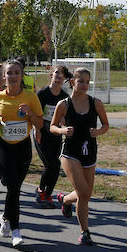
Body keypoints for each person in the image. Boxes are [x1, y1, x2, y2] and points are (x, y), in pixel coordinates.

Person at [50, 68, 109, 245]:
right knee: (83, 193)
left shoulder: (96, 103)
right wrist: (62, 130)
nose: (84, 85)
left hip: (89, 151)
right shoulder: (64, 104)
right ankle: (85, 232)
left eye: (87, 81)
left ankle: (65, 200)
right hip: (70, 152)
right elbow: (52, 126)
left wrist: (98, 131)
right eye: (81, 81)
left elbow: (106, 125)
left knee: (86, 194)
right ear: (72, 82)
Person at [0, 59, 43, 247]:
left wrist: (30, 114)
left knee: (15, 189)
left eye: (16, 73)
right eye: (9, 73)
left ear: (22, 75)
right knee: (13, 187)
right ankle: (16, 230)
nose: (13, 76)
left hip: (23, 146)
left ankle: (5, 217)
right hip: (3, 146)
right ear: (4, 76)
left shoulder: (31, 96)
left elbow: (40, 123)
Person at [34, 65, 71, 208]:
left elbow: (66, 118)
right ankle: (41, 191)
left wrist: (63, 121)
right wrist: (37, 129)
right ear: (51, 75)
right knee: (50, 165)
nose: (59, 76)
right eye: (57, 73)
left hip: (55, 135)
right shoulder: (42, 94)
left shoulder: (64, 97)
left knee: (56, 166)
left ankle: (48, 194)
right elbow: (36, 114)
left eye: (62, 74)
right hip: (42, 133)